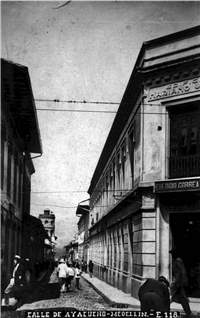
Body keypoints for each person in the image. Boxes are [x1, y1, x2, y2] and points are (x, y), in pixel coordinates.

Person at [169, 248, 191, 318]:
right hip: (177, 282)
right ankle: (188, 312)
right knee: (182, 298)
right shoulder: (177, 260)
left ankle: (165, 309)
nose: (171, 255)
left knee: (169, 294)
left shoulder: (178, 260)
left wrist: (179, 283)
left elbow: (181, 272)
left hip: (177, 282)